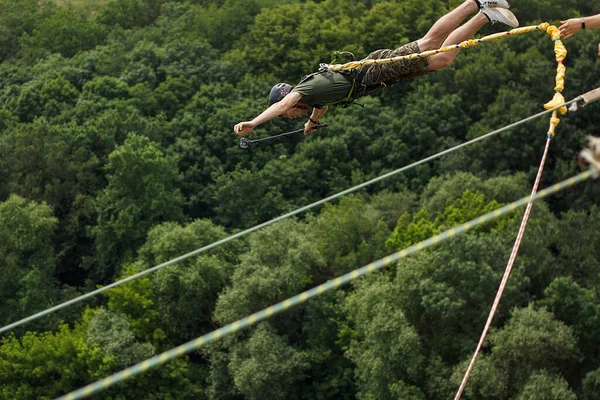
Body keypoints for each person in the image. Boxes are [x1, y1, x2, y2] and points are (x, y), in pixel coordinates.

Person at [234, 0, 519, 137]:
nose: (291, 117)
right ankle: (485, 16)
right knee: (441, 60)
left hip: (376, 69)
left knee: (430, 43)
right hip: (379, 79)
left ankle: (475, 2)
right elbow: (320, 107)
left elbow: (284, 104)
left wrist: (254, 123)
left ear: (284, 104)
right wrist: (312, 122)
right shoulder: (313, 99)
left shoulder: (302, 91)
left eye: (287, 114)